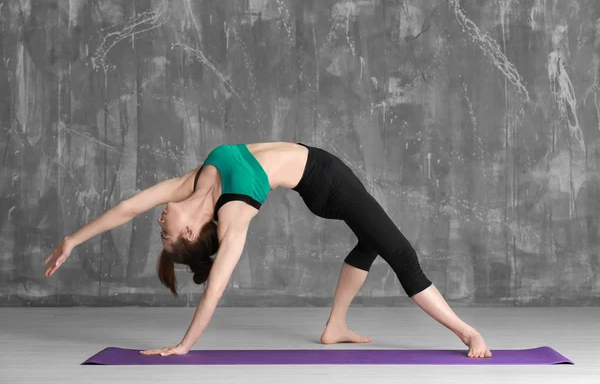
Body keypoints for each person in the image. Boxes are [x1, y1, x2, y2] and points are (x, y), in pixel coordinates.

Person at [44, 142, 492, 358]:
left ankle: (335, 326)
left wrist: (72, 240)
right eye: (164, 233)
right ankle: (466, 332)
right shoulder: (233, 215)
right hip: (328, 182)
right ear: (187, 235)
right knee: (402, 254)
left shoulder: (192, 182)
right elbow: (215, 289)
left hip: (323, 174)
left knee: (372, 242)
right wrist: (185, 345)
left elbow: (125, 207)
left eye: (160, 227)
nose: (158, 220)